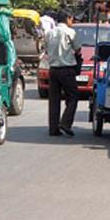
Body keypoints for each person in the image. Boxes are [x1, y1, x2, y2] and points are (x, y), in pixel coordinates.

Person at [45, 9, 81, 137]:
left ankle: (53, 129)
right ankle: (65, 123)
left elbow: (46, 50)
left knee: (54, 100)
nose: (72, 22)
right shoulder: (70, 32)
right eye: (72, 19)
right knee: (73, 96)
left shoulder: (49, 33)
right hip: (66, 69)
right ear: (67, 18)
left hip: (53, 70)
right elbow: (77, 49)